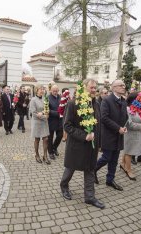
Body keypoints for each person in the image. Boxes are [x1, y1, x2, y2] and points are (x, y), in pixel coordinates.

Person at [60, 78, 104, 208]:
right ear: (84, 87)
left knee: (90, 169)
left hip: (92, 146)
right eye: (91, 87)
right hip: (77, 145)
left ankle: (89, 197)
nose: (94, 90)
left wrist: (99, 143)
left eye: (95, 87)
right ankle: (64, 186)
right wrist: (84, 136)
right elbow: (67, 126)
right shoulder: (73, 104)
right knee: (71, 168)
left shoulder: (96, 104)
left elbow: (98, 125)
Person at [95, 80, 128, 191]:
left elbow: (124, 116)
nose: (123, 87)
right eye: (121, 85)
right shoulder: (107, 100)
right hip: (109, 135)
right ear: (114, 88)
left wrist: (124, 126)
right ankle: (93, 169)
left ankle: (110, 180)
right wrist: (118, 128)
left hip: (119, 135)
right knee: (106, 157)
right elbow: (104, 118)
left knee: (114, 159)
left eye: (124, 85)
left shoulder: (123, 101)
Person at [120, 92, 141, 181]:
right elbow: (129, 124)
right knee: (129, 152)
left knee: (128, 150)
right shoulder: (128, 109)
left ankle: (122, 164)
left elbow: (140, 119)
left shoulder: (137, 109)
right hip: (130, 134)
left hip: (137, 134)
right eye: (140, 99)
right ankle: (128, 170)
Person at [30, 84, 50, 165]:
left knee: (45, 139)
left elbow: (47, 109)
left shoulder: (45, 99)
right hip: (37, 122)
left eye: (43, 89)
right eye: (40, 89)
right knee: (37, 139)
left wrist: (45, 113)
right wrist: (44, 115)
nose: (42, 90)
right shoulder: (33, 100)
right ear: (36, 90)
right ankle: (37, 155)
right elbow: (34, 113)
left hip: (44, 122)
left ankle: (45, 155)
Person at [48, 85, 63, 160]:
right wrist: (57, 113)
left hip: (60, 121)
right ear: (51, 90)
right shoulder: (48, 98)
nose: (55, 92)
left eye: (56, 91)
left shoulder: (61, 97)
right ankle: (50, 152)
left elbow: (63, 106)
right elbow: (47, 110)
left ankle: (54, 147)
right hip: (51, 120)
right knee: (50, 137)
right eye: (54, 91)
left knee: (60, 135)